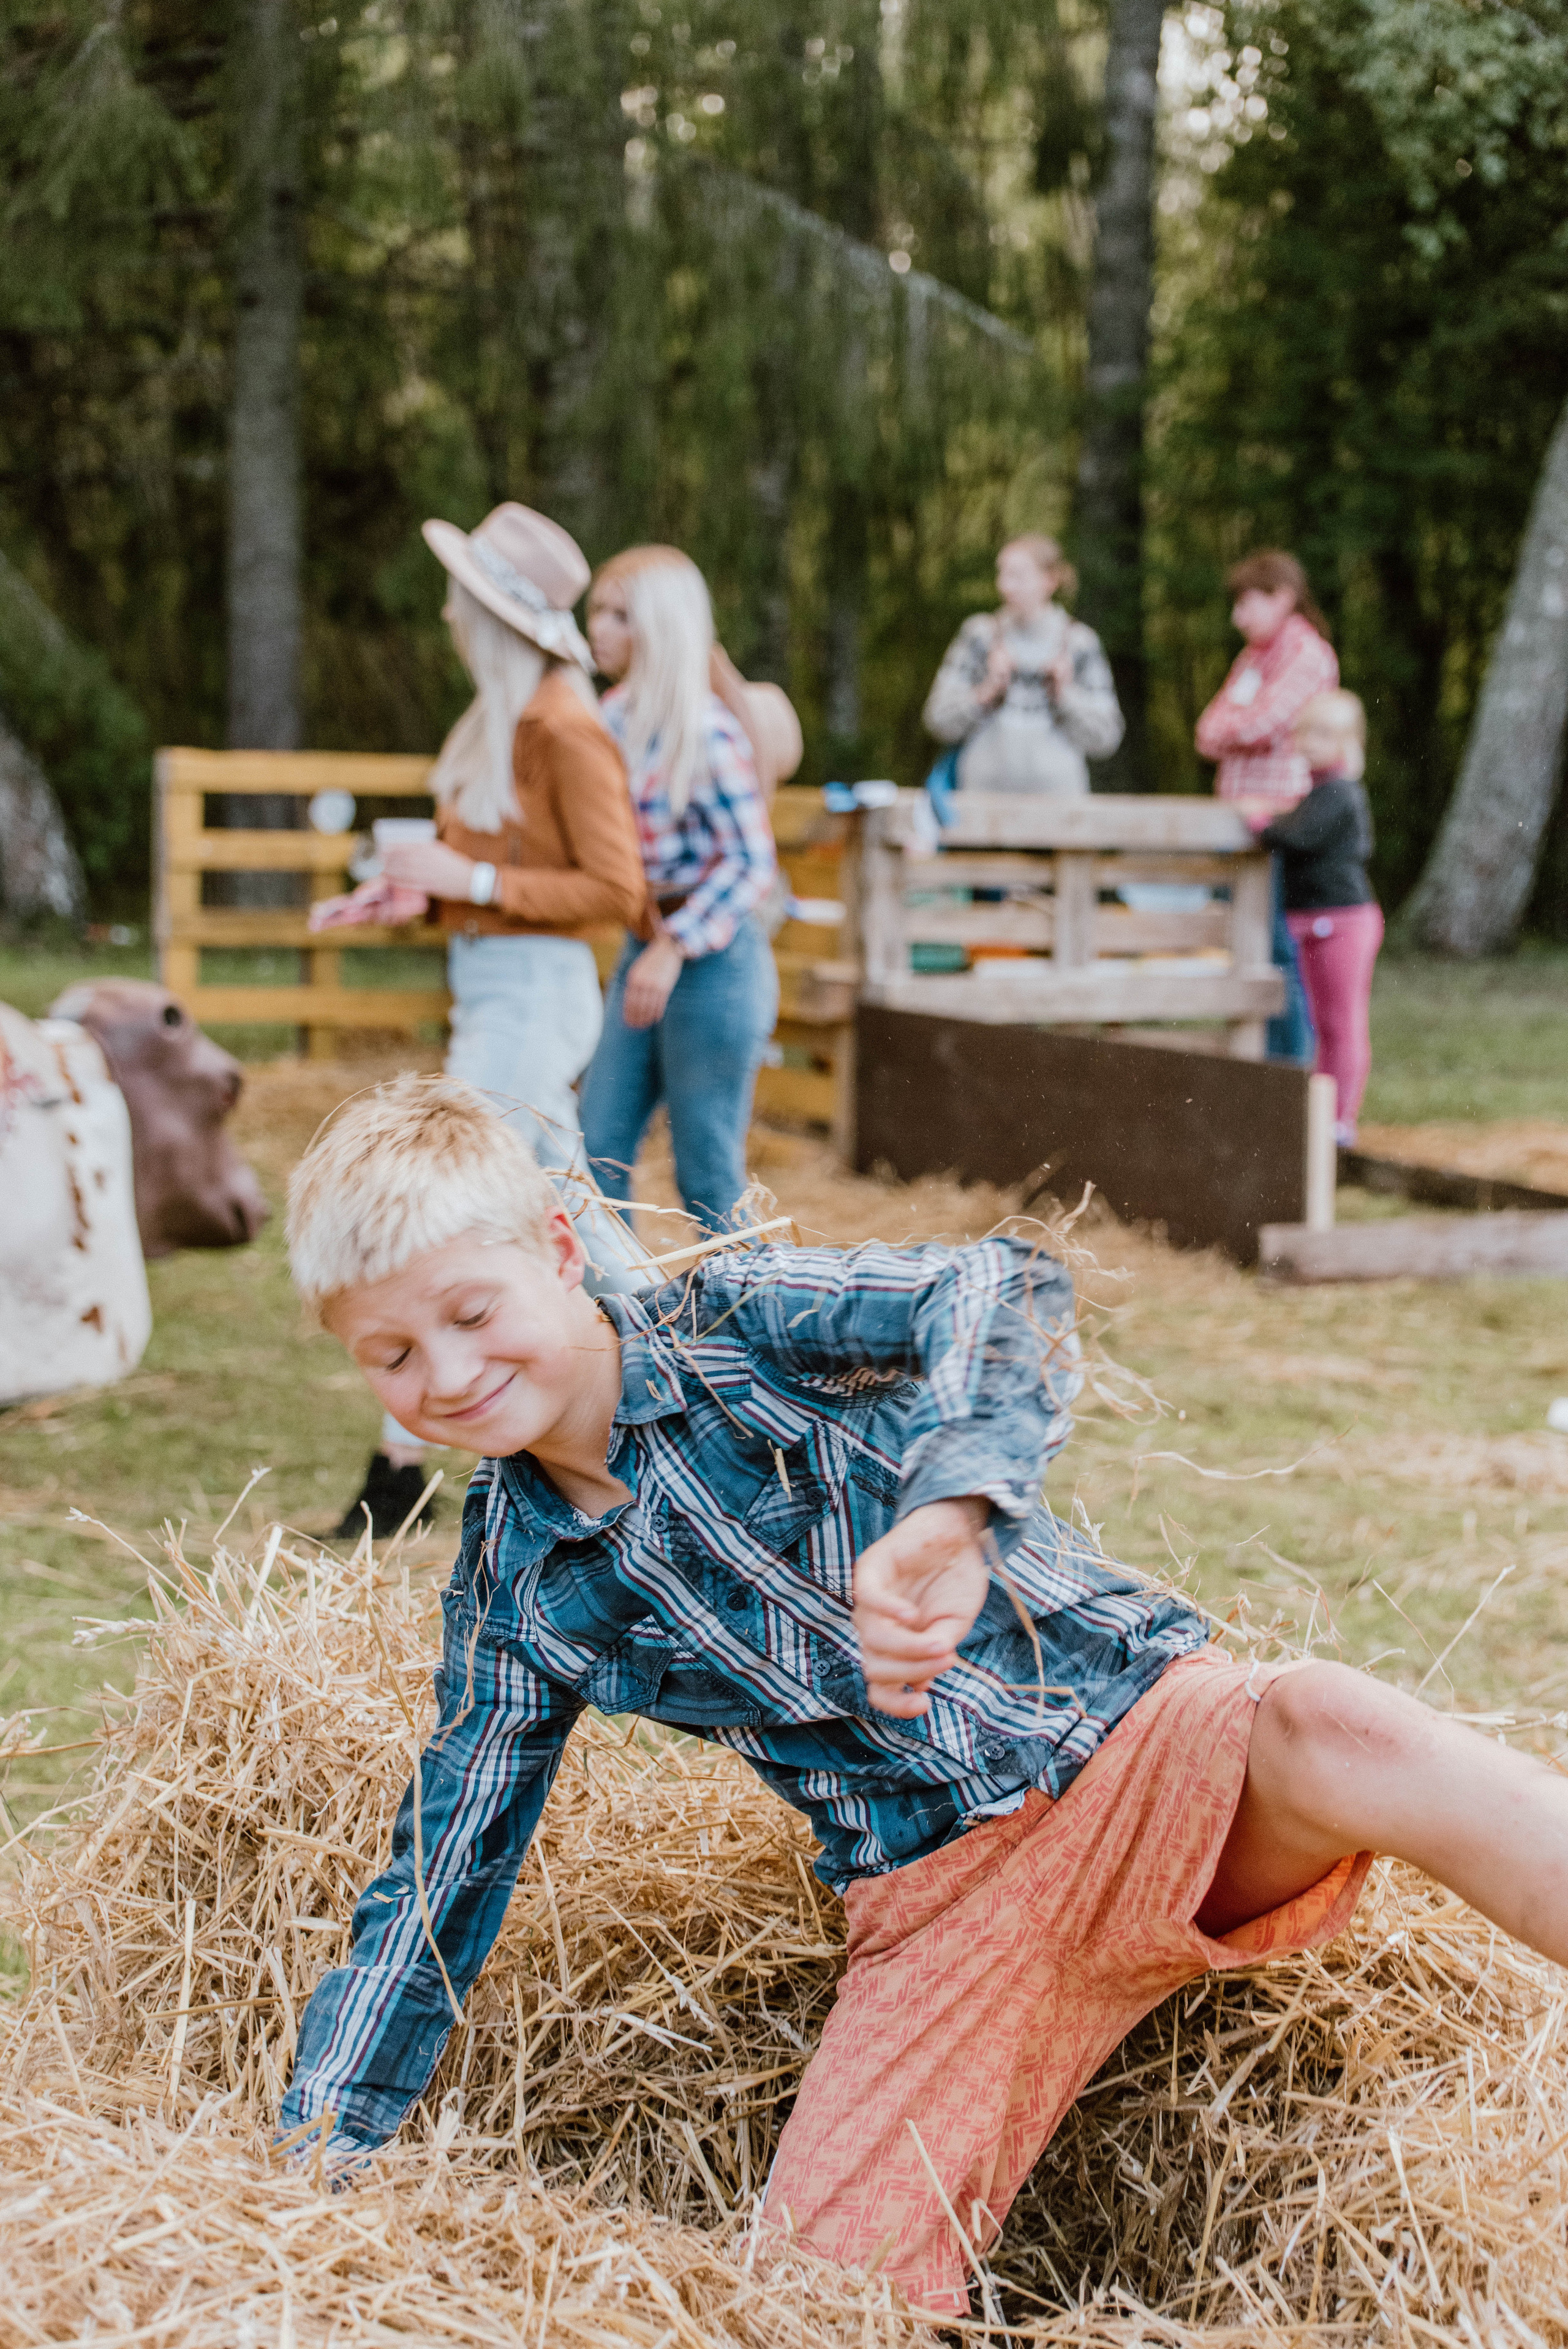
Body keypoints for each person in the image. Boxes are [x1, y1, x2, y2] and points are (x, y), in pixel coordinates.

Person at [280, 1073, 1568, 2315]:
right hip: (943, 1910)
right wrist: (310, 2162)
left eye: (467, 1312)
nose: (443, 1375)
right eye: (389, 1355)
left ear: (560, 1248)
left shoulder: (738, 1316)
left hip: (1135, 1742)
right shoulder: (514, 1591)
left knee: (1335, 1724)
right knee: (812, 2294)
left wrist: (949, 1515)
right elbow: (438, 1879)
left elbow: (1003, 1289)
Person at [307, 501, 647, 1537]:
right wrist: (422, 897)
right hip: (498, 980)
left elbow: (616, 888)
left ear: (497, 615)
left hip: (537, 993)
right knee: (554, 1205)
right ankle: (685, 1370)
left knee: (505, 1206)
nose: (450, 611)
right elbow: (506, 876)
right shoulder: (509, 718)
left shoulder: (563, 725)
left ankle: (403, 1473)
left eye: (465, 596)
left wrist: (471, 875)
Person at [579, 545, 779, 1234]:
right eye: (596, 612)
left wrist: (673, 944)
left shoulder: (706, 731)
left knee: (706, 1171)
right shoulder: (606, 720)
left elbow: (752, 863)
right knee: (595, 1148)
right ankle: (622, 1326)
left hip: (712, 963)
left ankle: (744, 1328)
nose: (597, 629)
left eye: (619, 616)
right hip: (644, 946)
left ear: (659, 629)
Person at [1195, 549, 1340, 1065]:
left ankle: (1289, 1070)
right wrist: (1238, 728)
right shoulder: (1254, 658)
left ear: (1282, 597)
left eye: (1247, 603)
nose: (1239, 616)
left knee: (1279, 949)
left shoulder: (1308, 655)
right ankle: (1259, 1064)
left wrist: (1237, 727)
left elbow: (1261, 723)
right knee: (1245, 947)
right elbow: (1207, 732)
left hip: (1281, 821)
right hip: (1238, 822)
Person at [1246, 691, 1382, 1145]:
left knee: (1342, 1023)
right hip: (1315, 922)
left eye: (1323, 733)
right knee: (1323, 1024)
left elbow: (1298, 837)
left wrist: (1261, 824)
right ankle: (1322, 1114)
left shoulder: (1339, 794)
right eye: (1305, 731)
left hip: (1342, 921)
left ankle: (1341, 1119)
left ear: (1348, 742)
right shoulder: (1317, 793)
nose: (1310, 742)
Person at [921, 534, 1123, 796]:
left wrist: (1065, 696)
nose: (1005, 586)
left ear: (1049, 581)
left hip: (1060, 812)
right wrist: (987, 691)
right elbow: (937, 721)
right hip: (983, 808)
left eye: (1017, 575)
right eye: (1002, 574)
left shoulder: (1079, 643)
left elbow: (1106, 739)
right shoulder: (979, 635)